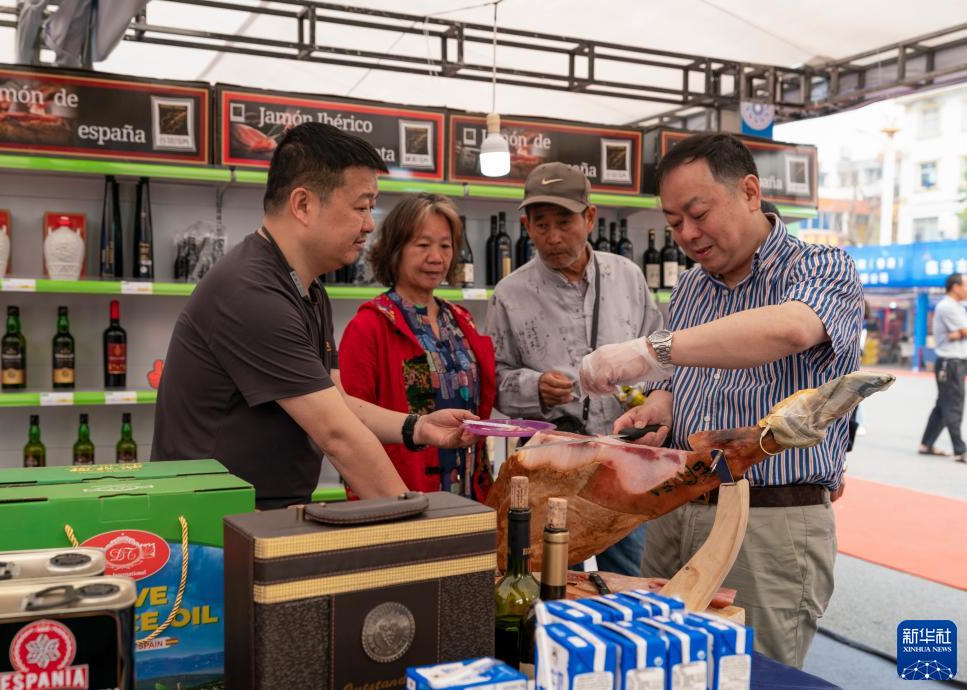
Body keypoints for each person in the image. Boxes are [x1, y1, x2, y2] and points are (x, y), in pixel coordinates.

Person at [578, 133, 863, 667]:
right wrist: (660, 403)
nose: (687, 234)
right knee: (656, 666)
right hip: (676, 507)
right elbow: (683, 376)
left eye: (698, 213)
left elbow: (791, 329)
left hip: (768, 521)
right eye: (673, 222)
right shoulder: (691, 287)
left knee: (753, 672)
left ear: (750, 192)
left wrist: (650, 350)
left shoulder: (821, 268)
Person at [152, 122, 477, 509]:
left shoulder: (308, 289)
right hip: (210, 521)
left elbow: (338, 403)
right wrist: (419, 527)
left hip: (261, 514)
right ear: (303, 205)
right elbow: (338, 436)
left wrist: (419, 426)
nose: (370, 224)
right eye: (361, 207)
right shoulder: (250, 292)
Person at [485, 162, 664, 576]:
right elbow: (496, 382)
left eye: (564, 222)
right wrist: (534, 387)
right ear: (526, 226)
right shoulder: (509, 294)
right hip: (550, 463)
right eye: (541, 225)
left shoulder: (627, 277)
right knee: (551, 575)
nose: (553, 237)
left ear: (590, 217)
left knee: (628, 575)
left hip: (625, 458)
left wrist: (648, 398)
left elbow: (660, 357)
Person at [339, 193, 497, 500]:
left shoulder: (461, 319)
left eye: (445, 246)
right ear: (395, 250)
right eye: (423, 245)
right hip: (401, 497)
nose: (436, 257)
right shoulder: (370, 326)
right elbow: (348, 422)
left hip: (470, 493)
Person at [918, 273, 967, 463]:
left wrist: (959, 333)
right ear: (955, 287)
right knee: (953, 405)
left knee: (943, 405)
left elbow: (961, 332)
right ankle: (960, 450)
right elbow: (964, 330)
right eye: (965, 285)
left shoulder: (957, 306)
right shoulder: (947, 306)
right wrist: (959, 333)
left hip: (955, 361)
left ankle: (926, 444)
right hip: (950, 362)